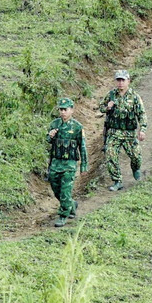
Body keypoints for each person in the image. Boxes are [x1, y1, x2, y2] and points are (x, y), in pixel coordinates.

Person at [99, 70, 147, 191]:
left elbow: (141, 114)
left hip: (129, 133)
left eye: (123, 80)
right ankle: (117, 181)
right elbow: (101, 107)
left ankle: (135, 168)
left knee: (136, 157)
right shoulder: (111, 95)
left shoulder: (134, 96)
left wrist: (143, 129)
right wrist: (107, 107)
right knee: (110, 154)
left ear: (128, 81)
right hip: (114, 132)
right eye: (118, 80)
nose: (120, 83)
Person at [47, 97, 87, 227]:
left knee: (65, 191)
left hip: (69, 164)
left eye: (65, 109)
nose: (63, 112)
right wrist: (50, 136)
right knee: (56, 189)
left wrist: (84, 165)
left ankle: (63, 215)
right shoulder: (54, 124)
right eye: (61, 109)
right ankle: (71, 204)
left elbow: (82, 147)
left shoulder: (77, 127)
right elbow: (48, 140)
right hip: (55, 163)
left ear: (71, 110)